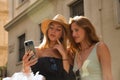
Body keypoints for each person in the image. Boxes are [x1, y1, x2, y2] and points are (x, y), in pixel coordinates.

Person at [22, 14, 75, 80]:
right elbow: (28, 76)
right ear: (47, 30)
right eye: (51, 27)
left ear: (62, 34)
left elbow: (69, 76)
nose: (53, 31)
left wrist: (64, 55)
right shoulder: (37, 51)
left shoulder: (68, 53)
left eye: (58, 29)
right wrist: (25, 67)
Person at [68, 16, 113, 80]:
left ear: (86, 29)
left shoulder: (100, 47)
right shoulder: (77, 53)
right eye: (72, 31)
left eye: (76, 30)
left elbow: (108, 77)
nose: (73, 34)